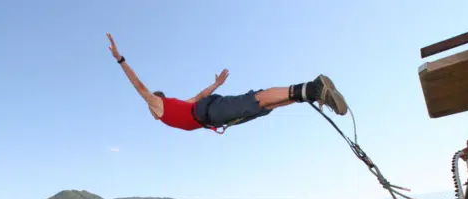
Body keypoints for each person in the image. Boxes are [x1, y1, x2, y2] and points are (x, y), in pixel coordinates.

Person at [106, 33, 348, 134]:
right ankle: (310, 94)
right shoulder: (176, 106)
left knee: (259, 98)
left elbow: (139, 87)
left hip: (210, 112)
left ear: (155, 101)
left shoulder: (158, 105)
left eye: (150, 103)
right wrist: (217, 84)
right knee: (265, 106)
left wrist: (120, 60)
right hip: (211, 114)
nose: (149, 108)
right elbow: (200, 94)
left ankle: (315, 87)